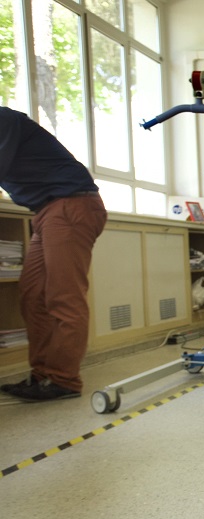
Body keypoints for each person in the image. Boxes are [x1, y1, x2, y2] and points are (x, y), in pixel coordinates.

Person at [0, 107, 107, 403]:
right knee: (32, 295)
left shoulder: (3, 119)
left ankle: (64, 380)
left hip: (71, 206)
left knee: (64, 296)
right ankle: (43, 374)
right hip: (48, 211)